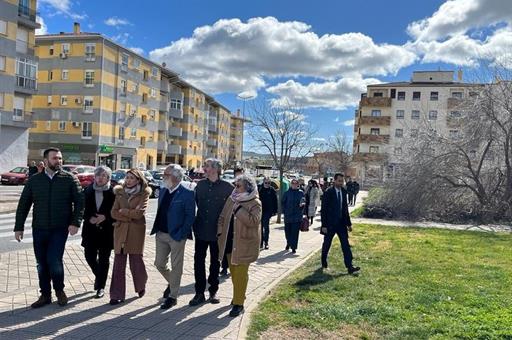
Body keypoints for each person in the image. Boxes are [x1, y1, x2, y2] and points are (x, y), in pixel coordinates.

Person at [14, 147, 84, 308]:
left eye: (60, 158)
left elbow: (80, 202)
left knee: (54, 260)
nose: (58, 161)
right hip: (39, 228)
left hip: (60, 228)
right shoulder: (34, 180)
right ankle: (45, 294)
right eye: (54, 158)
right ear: (45, 161)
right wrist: (19, 227)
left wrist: (75, 223)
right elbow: (23, 204)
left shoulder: (70, 179)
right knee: (41, 263)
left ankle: (59, 290)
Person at [150, 164, 195, 310]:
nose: (163, 177)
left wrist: (182, 233)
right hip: (161, 234)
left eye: (166, 175)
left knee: (177, 266)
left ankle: (173, 296)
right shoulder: (163, 191)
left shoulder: (186, 194)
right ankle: (174, 283)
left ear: (175, 177)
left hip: (176, 236)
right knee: (159, 264)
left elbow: (190, 216)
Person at [190, 158, 233, 306]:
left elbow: (231, 211)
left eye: (207, 166)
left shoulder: (228, 188)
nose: (204, 169)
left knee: (215, 262)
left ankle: (213, 291)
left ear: (215, 169)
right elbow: (195, 205)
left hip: (218, 232)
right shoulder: (200, 186)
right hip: (201, 230)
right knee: (198, 262)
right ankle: (199, 293)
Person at [217, 175, 261, 317]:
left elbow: (254, 221)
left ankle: (238, 304)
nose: (235, 188)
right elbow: (222, 216)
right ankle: (239, 296)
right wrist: (219, 231)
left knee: (241, 274)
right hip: (230, 242)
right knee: (234, 274)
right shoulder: (232, 199)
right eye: (235, 185)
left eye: (238, 186)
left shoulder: (255, 203)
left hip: (244, 244)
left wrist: (238, 210)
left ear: (247, 188)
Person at [109, 169, 151, 305]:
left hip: (136, 232)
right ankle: (116, 295)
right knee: (118, 264)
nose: (128, 180)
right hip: (121, 231)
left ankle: (140, 286)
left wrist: (124, 212)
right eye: (127, 178)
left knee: (136, 262)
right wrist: (129, 214)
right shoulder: (119, 192)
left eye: (132, 178)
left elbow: (139, 213)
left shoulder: (144, 193)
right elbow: (114, 212)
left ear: (138, 180)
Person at [81, 166, 115, 299]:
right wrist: (89, 217)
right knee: (89, 256)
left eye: (103, 175)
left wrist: (105, 217)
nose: (100, 178)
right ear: (94, 177)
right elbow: (81, 208)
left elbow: (117, 210)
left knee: (104, 260)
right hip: (90, 230)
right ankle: (99, 276)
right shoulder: (87, 190)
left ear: (108, 178)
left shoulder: (114, 192)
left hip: (106, 231)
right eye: (98, 175)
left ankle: (101, 286)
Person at [320, 173, 360, 275]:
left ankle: (350, 266)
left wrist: (349, 224)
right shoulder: (328, 192)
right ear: (334, 181)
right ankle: (323, 261)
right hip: (330, 224)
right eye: (339, 181)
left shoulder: (343, 191)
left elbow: (345, 209)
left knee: (345, 245)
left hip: (341, 224)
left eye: (342, 181)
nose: (341, 183)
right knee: (327, 244)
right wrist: (324, 225)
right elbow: (323, 210)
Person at [220, 166, 245, 276]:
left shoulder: (247, 188)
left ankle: (234, 265)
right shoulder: (230, 187)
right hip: (230, 220)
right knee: (227, 243)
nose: (238, 176)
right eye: (237, 174)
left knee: (237, 245)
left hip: (240, 220)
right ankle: (225, 266)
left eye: (241, 174)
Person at [281, 179, 305, 253]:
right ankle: (288, 242)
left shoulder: (301, 193)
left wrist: (302, 205)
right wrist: (284, 211)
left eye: (296, 183)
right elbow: (283, 203)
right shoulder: (287, 193)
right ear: (291, 184)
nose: (294, 185)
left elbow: (303, 201)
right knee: (287, 232)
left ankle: (294, 247)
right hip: (288, 215)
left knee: (295, 232)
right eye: (293, 183)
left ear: (298, 184)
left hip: (297, 216)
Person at [258, 177, 277, 249]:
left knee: (266, 226)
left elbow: (275, 201)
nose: (267, 184)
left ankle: (266, 242)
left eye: (269, 183)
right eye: (266, 183)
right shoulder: (259, 189)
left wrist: (275, 211)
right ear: (263, 182)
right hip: (260, 210)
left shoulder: (272, 190)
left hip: (268, 211)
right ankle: (260, 242)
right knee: (260, 227)